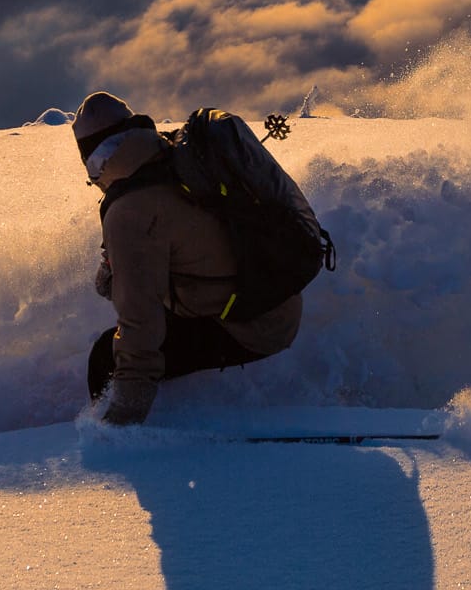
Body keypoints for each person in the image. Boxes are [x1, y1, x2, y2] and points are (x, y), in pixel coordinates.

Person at [75, 91, 303, 424]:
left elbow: (140, 324)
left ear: (94, 160)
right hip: (276, 301)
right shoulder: (175, 157)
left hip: (254, 328)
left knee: (105, 356)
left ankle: (146, 447)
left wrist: (122, 420)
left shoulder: (129, 211)